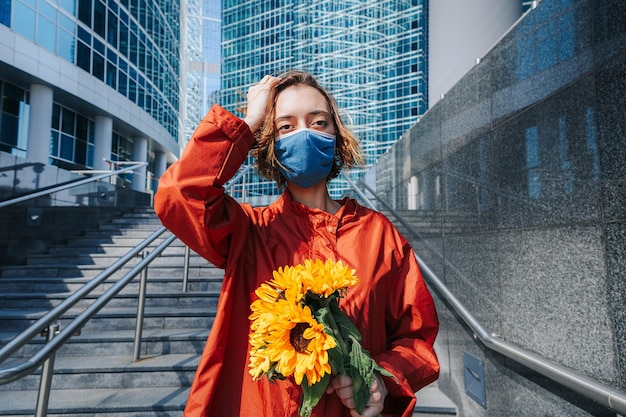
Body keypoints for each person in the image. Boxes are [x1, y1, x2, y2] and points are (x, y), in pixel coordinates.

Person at [154, 71, 440, 417]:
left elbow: (416, 338)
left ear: (336, 135)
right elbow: (178, 194)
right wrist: (248, 121)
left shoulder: (378, 234)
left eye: (318, 122)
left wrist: (379, 378)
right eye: (285, 127)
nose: (303, 134)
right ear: (270, 143)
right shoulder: (250, 231)